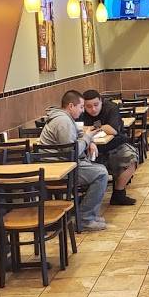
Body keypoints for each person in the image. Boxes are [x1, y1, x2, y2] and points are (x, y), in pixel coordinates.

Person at [39, 90, 109, 232]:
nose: (83, 110)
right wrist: (88, 138)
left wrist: (89, 141)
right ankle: (85, 218)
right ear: (71, 106)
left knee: (100, 169)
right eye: (81, 107)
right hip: (59, 169)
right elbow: (72, 151)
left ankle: (86, 214)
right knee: (101, 174)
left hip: (61, 163)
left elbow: (78, 135)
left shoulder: (64, 118)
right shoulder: (63, 121)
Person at [81, 90, 138, 206]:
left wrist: (90, 128)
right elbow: (77, 130)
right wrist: (93, 138)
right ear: (83, 106)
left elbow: (113, 130)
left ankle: (119, 194)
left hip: (115, 144)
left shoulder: (111, 108)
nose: (93, 109)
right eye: (88, 106)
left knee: (131, 158)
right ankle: (86, 198)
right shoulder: (80, 111)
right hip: (89, 147)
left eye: (96, 105)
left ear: (101, 101)